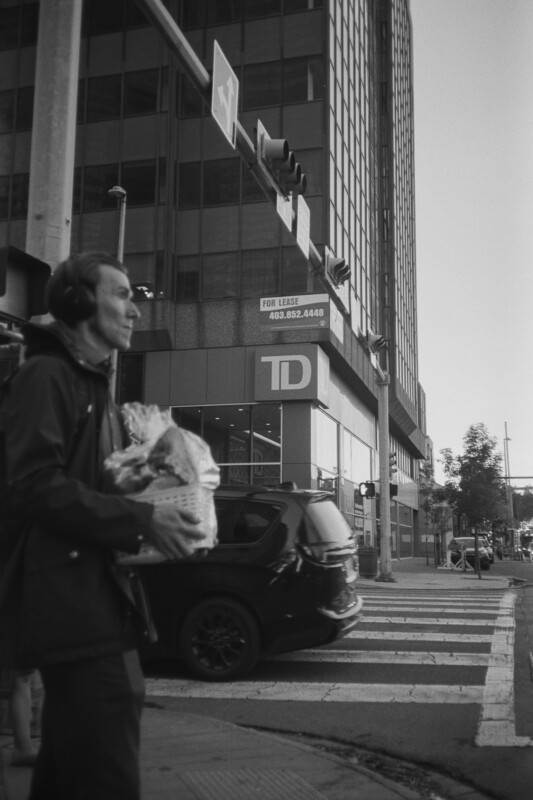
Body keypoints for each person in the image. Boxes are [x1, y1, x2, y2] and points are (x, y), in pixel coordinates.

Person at [0, 252, 207, 799]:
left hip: (96, 596)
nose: (135, 309)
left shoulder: (93, 386)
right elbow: (32, 485)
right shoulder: (46, 376)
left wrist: (157, 484)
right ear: (78, 302)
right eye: (121, 294)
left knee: (69, 770)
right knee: (105, 763)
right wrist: (142, 518)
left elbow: (87, 488)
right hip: (73, 605)